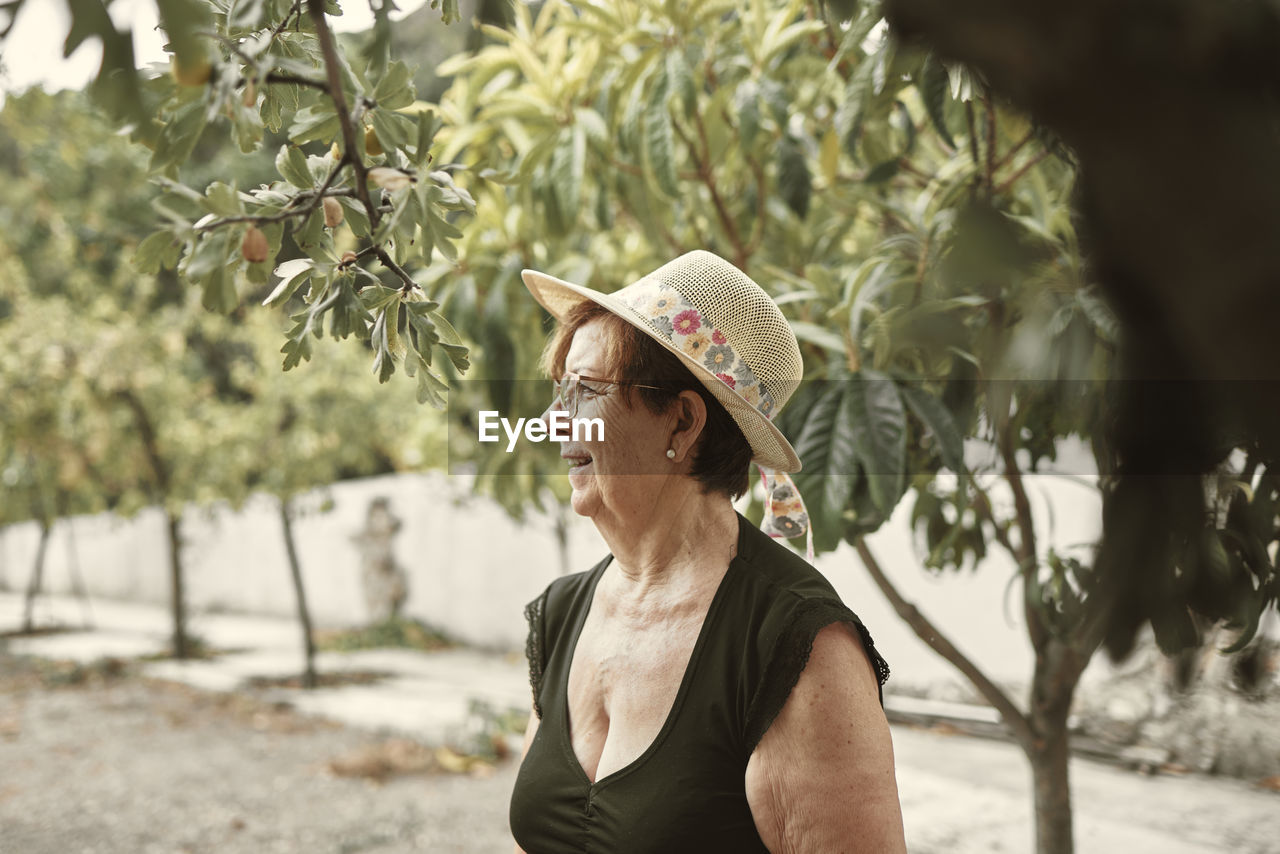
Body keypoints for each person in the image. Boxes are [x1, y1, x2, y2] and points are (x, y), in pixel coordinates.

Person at [508, 250, 906, 853]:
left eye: (585, 391)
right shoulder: (561, 614)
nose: (554, 420)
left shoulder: (795, 646)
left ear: (681, 423)